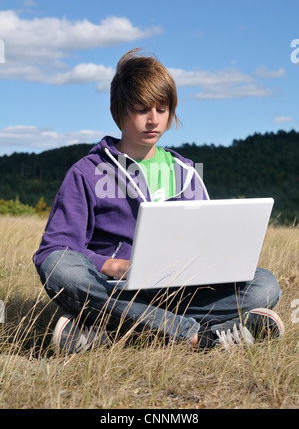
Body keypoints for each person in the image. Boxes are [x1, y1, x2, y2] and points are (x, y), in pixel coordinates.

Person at [33, 49, 284, 353]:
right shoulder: (86, 172)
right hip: (113, 288)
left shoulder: (186, 173)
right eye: (141, 109)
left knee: (265, 285)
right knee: (58, 267)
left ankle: (108, 331)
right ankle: (201, 335)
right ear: (119, 111)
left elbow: (208, 241)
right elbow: (56, 248)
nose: (153, 120)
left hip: (178, 290)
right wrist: (113, 265)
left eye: (162, 109)